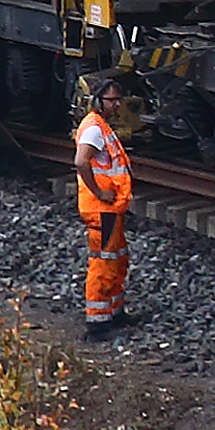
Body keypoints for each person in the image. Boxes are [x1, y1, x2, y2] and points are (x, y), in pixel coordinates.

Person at [71, 94, 135, 341]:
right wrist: (98, 191)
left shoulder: (99, 125)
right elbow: (81, 161)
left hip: (109, 208)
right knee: (103, 263)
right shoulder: (94, 129)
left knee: (116, 258)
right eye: (112, 100)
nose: (117, 104)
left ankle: (114, 312)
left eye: (119, 99)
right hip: (101, 207)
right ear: (98, 100)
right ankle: (96, 325)